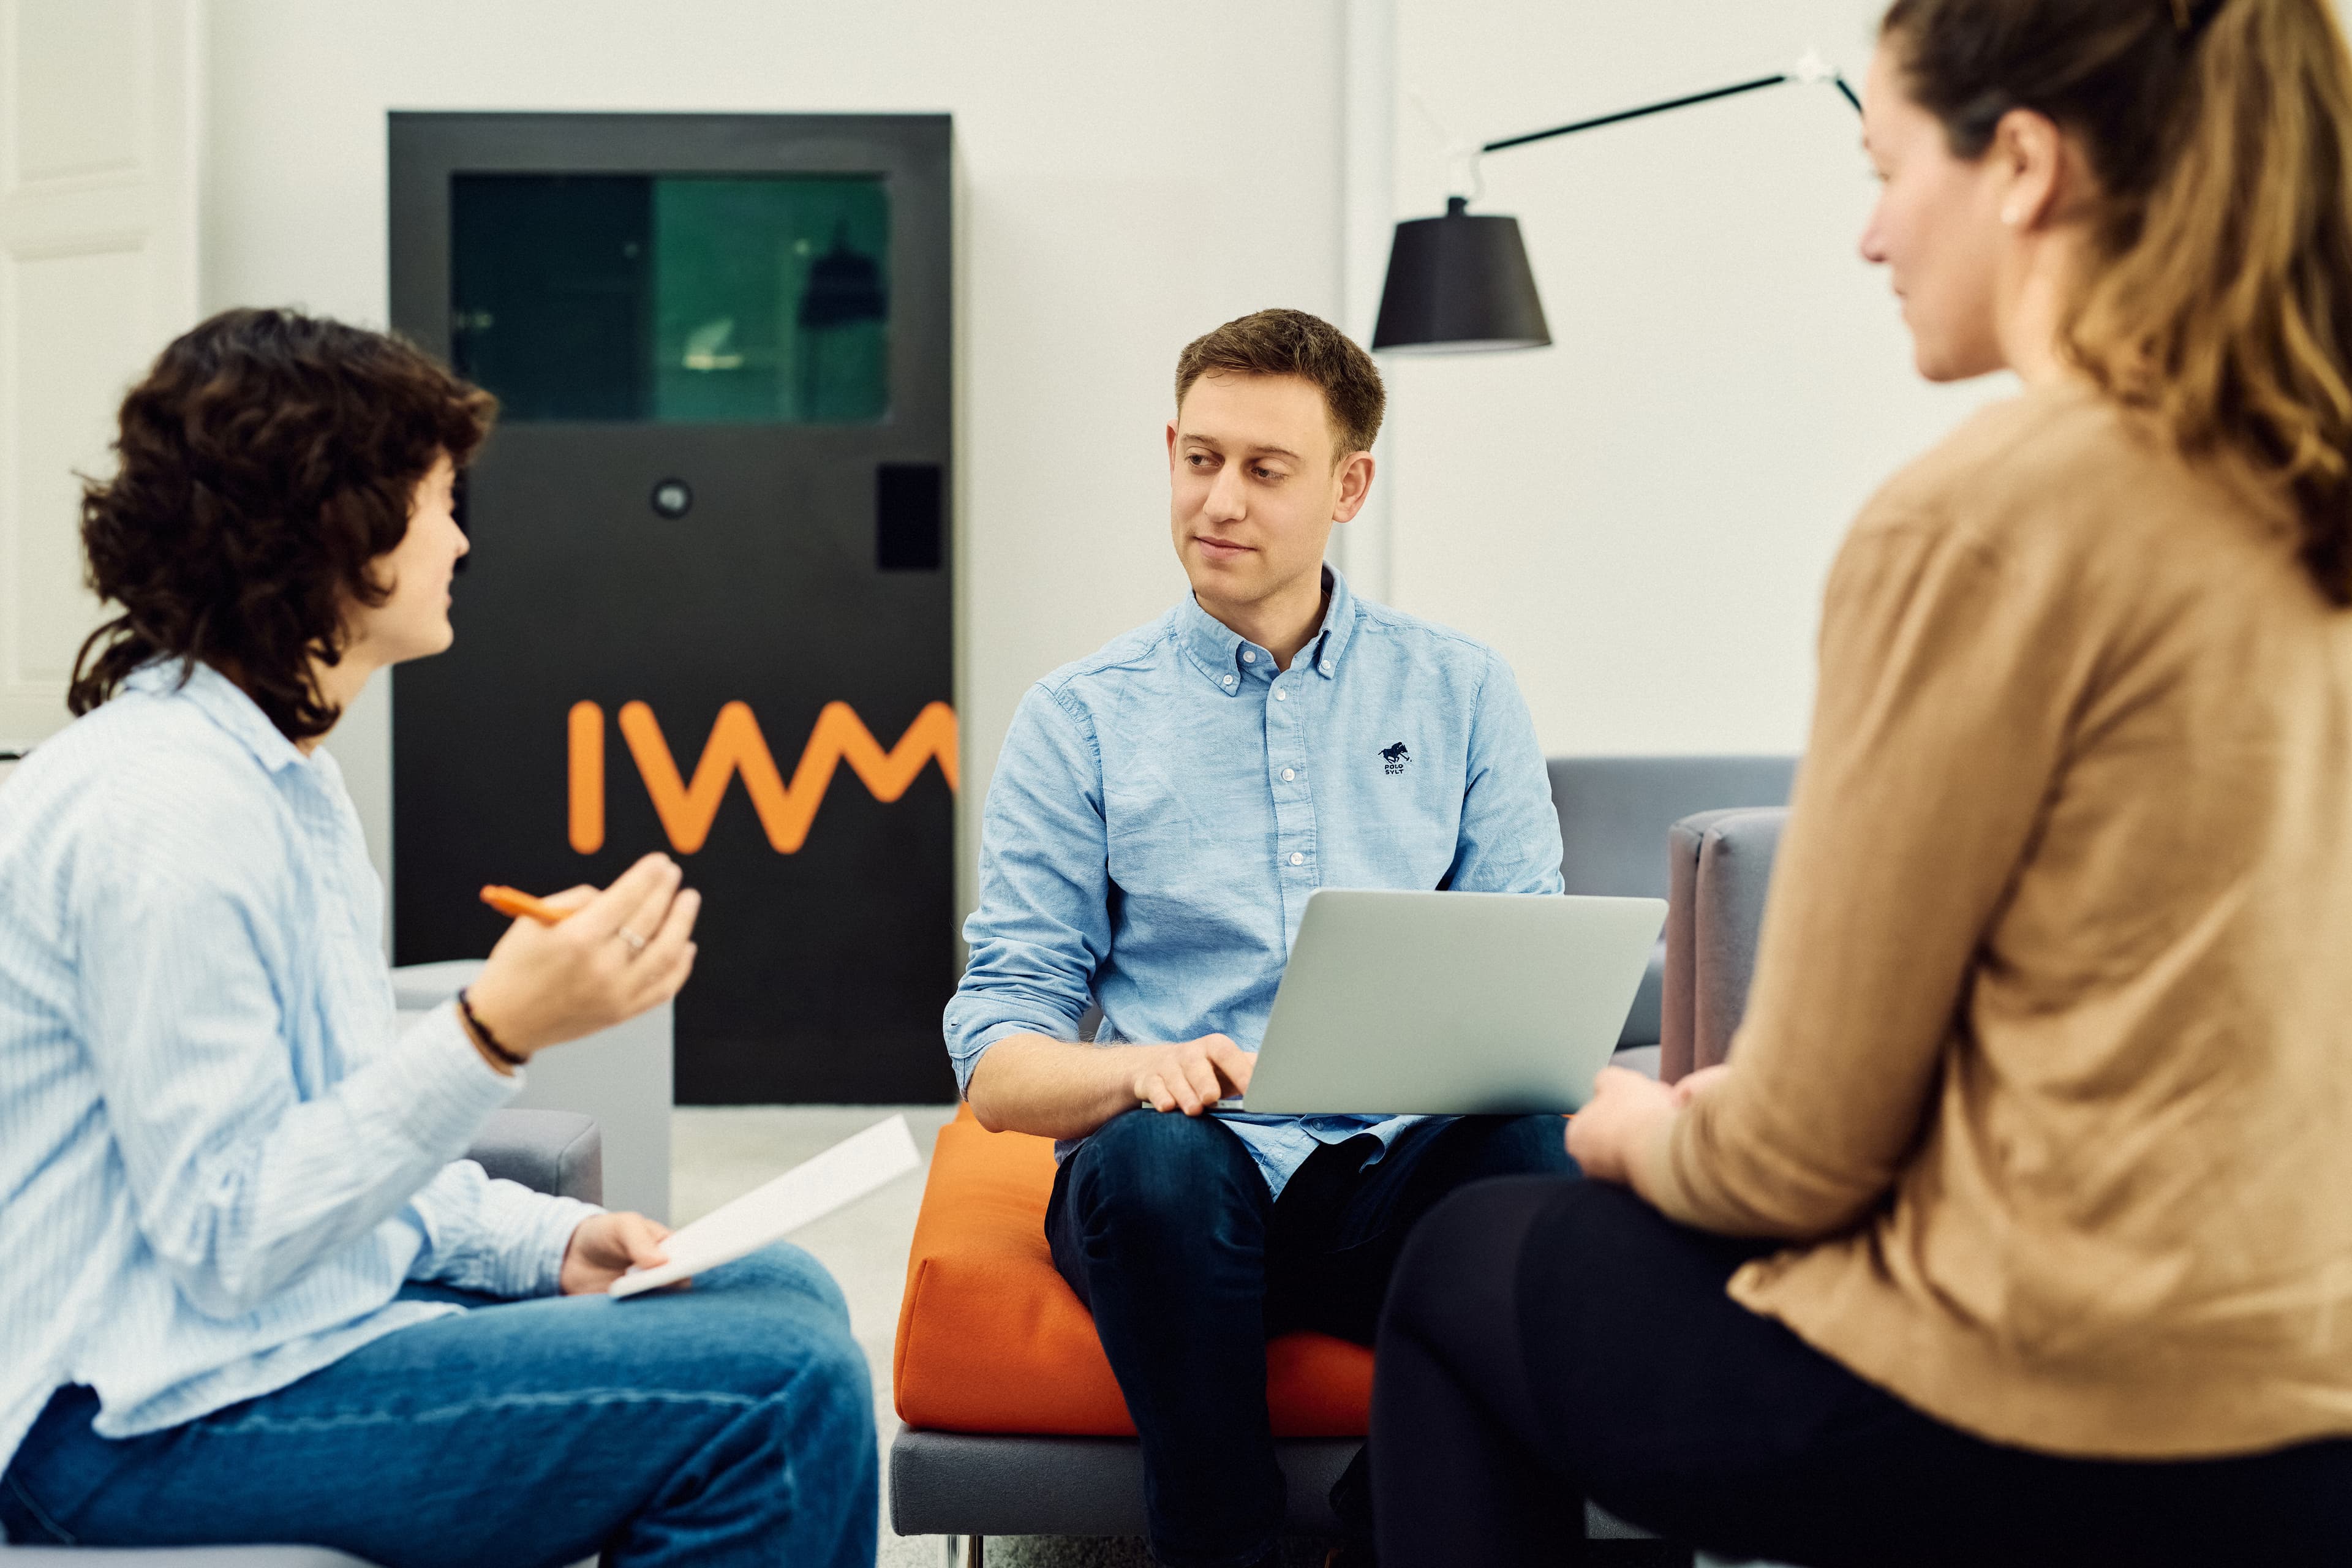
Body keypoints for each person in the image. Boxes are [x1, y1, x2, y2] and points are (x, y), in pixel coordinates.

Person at [1371, 1, 2352, 1562]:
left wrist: (1628, 1126)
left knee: (1459, 1259)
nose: (1871, 233)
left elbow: (1795, 1157)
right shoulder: (2309, 484)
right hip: (2317, 1402)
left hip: (2064, 1407)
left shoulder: (1982, 519)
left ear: (2022, 165)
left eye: (1887, 166)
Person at [0, 309, 875, 1567]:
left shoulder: (282, 779)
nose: (463, 537)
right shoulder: (169, 812)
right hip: (117, 1422)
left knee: (783, 1291)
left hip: (235, 1346)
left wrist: (546, 1239)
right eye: (439, 501)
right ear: (340, 530)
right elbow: (236, 1230)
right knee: (778, 1385)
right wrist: (491, 1031)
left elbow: (330, 1134)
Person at [944, 308, 1574, 1568]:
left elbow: (1527, 979)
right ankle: (1223, 1544)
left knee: (1538, 1149)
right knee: (1153, 1161)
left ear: (1350, 485)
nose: (1219, 501)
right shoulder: (1079, 718)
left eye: (1266, 470)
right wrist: (1133, 1070)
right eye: (1200, 459)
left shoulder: (1461, 689)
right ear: (1171, 449)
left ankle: (1386, 1528)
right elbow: (997, 1049)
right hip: (1179, 1194)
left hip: (1388, 1181)